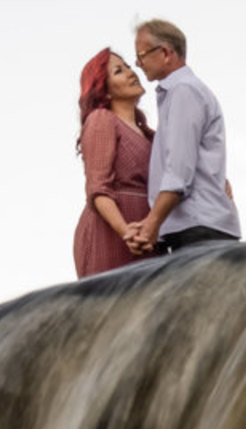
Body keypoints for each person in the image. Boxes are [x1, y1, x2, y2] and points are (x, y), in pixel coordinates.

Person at [125, 20, 241, 256]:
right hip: (198, 229)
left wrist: (151, 224)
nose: (138, 63)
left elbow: (178, 173)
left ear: (166, 53)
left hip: (200, 230)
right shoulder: (181, 92)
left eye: (141, 55)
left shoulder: (183, 92)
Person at [72, 49, 156, 278]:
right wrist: (125, 230)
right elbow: (97, 188)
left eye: (128, 66)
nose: (131, 73)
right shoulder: (102, 120)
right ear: (104, 90)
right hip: (111, 232)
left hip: (148, 233)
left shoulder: (150, 136)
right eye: (119, 71)